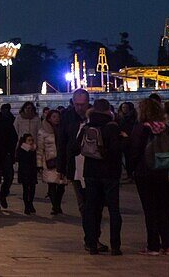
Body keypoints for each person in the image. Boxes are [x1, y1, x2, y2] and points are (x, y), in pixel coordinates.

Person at [75, 98, 124, 256]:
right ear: (109, 110)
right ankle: (115, 246)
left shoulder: (87, 126)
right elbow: (118, 149)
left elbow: (75, 148)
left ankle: (91, 244)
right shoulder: (113, 127)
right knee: (114, 210)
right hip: (110, 173)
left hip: (91, 172)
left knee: (91, 209)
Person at [126, 97, 169, 255]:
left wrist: (130, 169)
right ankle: (168, 244)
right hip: (162, 170)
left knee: (150, 209)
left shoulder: (141, 128)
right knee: (163, 208)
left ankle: (153, 245)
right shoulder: (165, 128)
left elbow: (134, 151)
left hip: (144, 172)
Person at [57, 88, 92, 241]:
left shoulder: (94, 116)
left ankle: (92, 234)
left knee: (93, 202)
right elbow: (62, 142)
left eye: (82, 104)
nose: (80, 108)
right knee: (82, 203)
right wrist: (61, 167)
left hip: (92, 166)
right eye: (77, 104)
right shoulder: (67, 117)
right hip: (75, 165)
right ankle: (89, 237)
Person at [37, 109, 67, 215]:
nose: (56, 119)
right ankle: (55, 206)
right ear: (49, 118)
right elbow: (40, 148)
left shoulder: (63, 129)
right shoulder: (43, 131)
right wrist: (39, 164)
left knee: (61, 185)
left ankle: (57, 204)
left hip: (62, 160)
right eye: (54, 117)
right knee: (52, 185)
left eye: (58, 116)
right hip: (49, 160)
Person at [17, 133, 39, 215]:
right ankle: (27, 206)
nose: (31, 142)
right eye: (29, 140)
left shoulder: (34, 149)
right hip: (24, 172)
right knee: (26, 190)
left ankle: (30, 203)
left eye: (32, 140)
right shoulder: (22, 149)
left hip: (32, 172)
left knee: (32, 189)